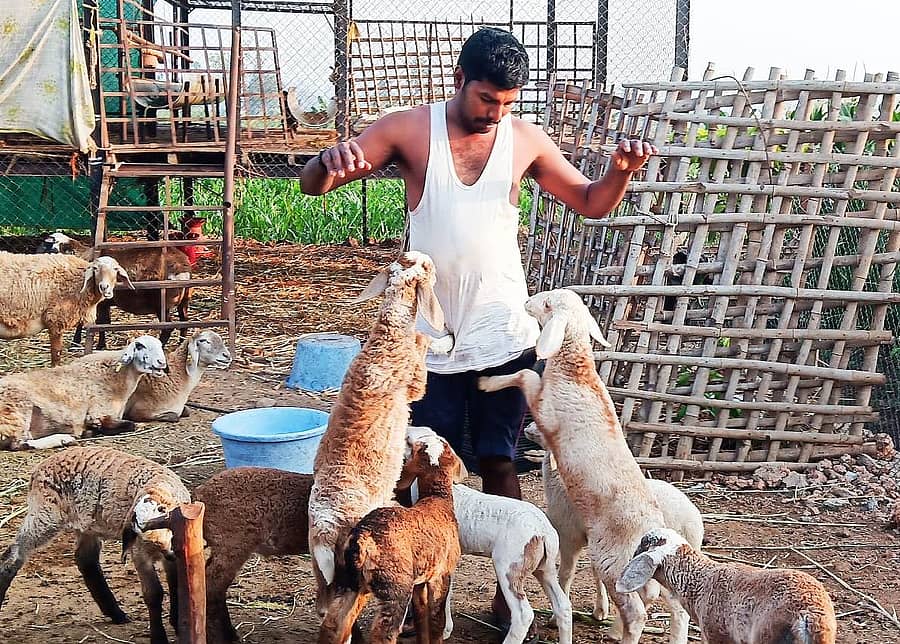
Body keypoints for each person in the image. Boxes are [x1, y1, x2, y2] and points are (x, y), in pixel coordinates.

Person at [301, 26, 656, 632]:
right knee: (420, 470)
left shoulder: (524, 140)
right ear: (459, 78)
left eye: (507, 103)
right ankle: (413, 595)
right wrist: (325, 162)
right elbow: (316, 183)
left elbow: (591, 202)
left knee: (499, 462)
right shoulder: (409, 131)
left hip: (503, 333)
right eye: (487, 99)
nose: (496, 113)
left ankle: (506, 594)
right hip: (429, 339)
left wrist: (621, 172)